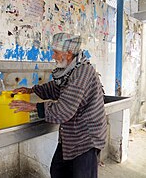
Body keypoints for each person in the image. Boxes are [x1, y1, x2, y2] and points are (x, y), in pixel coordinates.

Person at [9, 33, 107, 178]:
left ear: (68, 54)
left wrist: (33, 107)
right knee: (58, 171)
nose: (53, 56)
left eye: (55, 52)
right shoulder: (70, 70)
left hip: (86, 137)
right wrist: (32, 90)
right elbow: (56, 88)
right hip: (70, 134)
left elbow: (64, 109)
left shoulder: (83, 72)